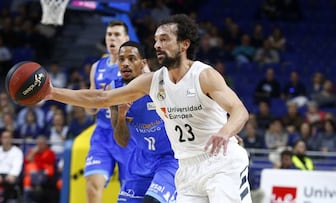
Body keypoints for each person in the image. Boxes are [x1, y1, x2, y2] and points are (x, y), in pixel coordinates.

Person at [46, 14, 252, 203]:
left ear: (184, 44)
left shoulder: (203, 75)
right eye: (155, 40)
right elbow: (101, 97)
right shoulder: (153, 81)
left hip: (220, 164)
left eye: (164, 39)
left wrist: (226, 132)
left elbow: (239, 110)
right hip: (187, 169)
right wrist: (53, 93)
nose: (157, 45)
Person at [110, 41, 177, 202]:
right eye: (121, 59)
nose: (125, 63)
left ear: (143, 63)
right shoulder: (114, 91)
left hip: (170, 159)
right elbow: (122, 141)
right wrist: (121, 115)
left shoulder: (161, 85)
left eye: (132, 58)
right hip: (141, 160)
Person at [84, 20, 132, 203]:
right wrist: (91, 102)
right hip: (102, 135)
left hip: (128, 136)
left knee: (130, 194)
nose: (112, 38)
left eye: (117, 34)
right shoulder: (97, 67)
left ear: (126, 39)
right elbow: (90, 108)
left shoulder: (135, 67)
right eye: (109, 34)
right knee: (92, 186)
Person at [0, 130, 24, 203]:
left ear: (11, 139)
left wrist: (12, 175)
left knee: (10, 182)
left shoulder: (17, 151)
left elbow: (17, 166)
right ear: (1, 139)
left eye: (8, 137)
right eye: (4, 138)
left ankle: (5, 201)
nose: (6, 140)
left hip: (11, 175)